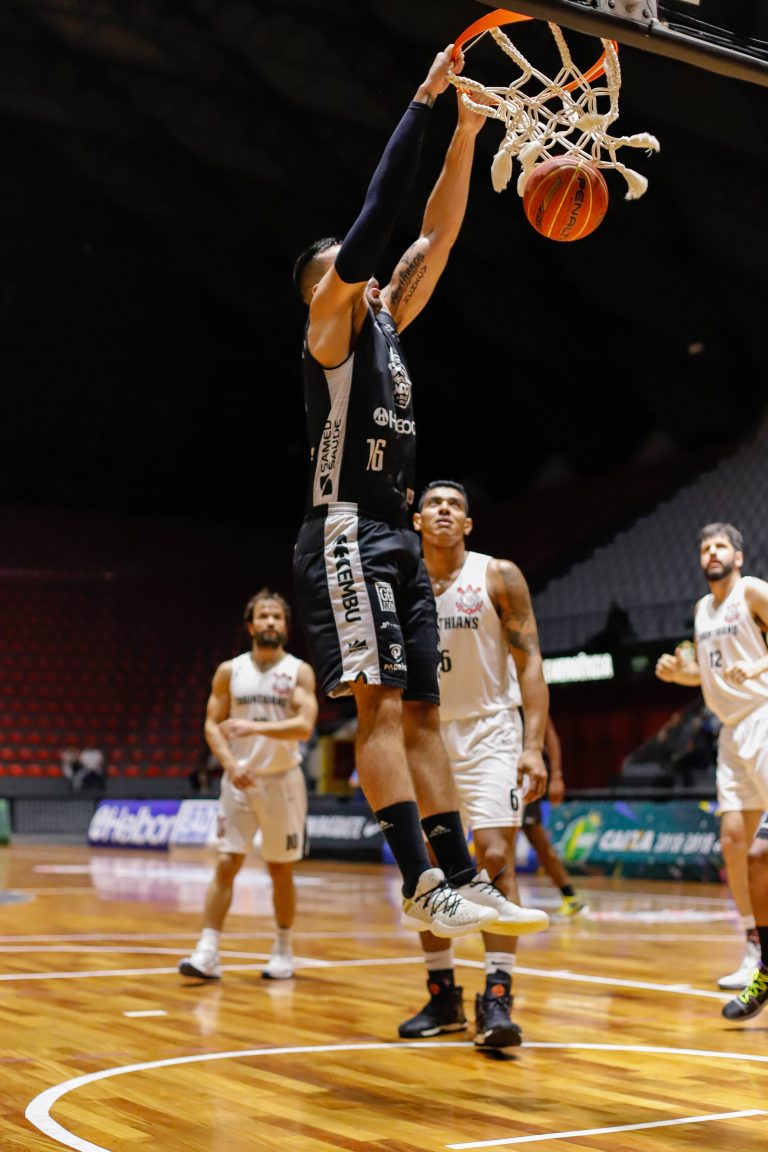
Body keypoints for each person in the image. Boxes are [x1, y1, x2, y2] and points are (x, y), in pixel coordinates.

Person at [291, 45, 548, 941]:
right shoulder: (330, 326)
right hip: (346, 529)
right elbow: (376, 222)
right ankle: (418, 879)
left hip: (394, 534)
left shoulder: (388, 326)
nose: (362, 270)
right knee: (384, 708)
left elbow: (434, 237)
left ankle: (462, 875)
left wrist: (467, 132)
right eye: (343, 265)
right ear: (321, 286)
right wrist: (423, 100)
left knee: (426, 713)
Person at [398, 479, 551, 1050]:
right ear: (416, 521)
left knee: (495, 856)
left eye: (455, 505)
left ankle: (498, 996)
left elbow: (530, 663)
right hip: (424, 734)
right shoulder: (400, 580)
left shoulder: (498, 575)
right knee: (430, 871)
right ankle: (443, 997)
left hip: (490, 730)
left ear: (467, 524)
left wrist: (533, 745)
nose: (443, 510)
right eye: (433, 504)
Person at [655, 522, 768, 1011]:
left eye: (721, 546)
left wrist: (759, 667)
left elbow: (749, 666)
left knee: (764, 849)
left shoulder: (752, 591)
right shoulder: (703, 609)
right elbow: (711, 674)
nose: (712, 553)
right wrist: (682, 674)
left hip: (764, 715)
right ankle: (754, 947)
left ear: (738, 556)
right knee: (734, 841)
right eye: (705, 547)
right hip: (731, 731)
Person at [179, 589, 318, 982]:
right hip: (239, 781)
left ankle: (283, 948)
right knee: (226, 863)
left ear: (286, 627)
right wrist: (229, 763)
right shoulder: (230, 670)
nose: (270, 621)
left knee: (280, 869)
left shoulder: (298, 671)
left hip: (282, 781)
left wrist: (254, 728)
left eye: (277, 616)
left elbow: (304, 726)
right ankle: (207, 951)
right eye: (263, 616)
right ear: (250, 625)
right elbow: (211, 724)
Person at [521, 717, 589, 917]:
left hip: (523, 774)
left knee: (535, 835)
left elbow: (550, 737)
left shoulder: (528, 701)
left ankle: (570, 896)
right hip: (497, 770)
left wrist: (556, 776)